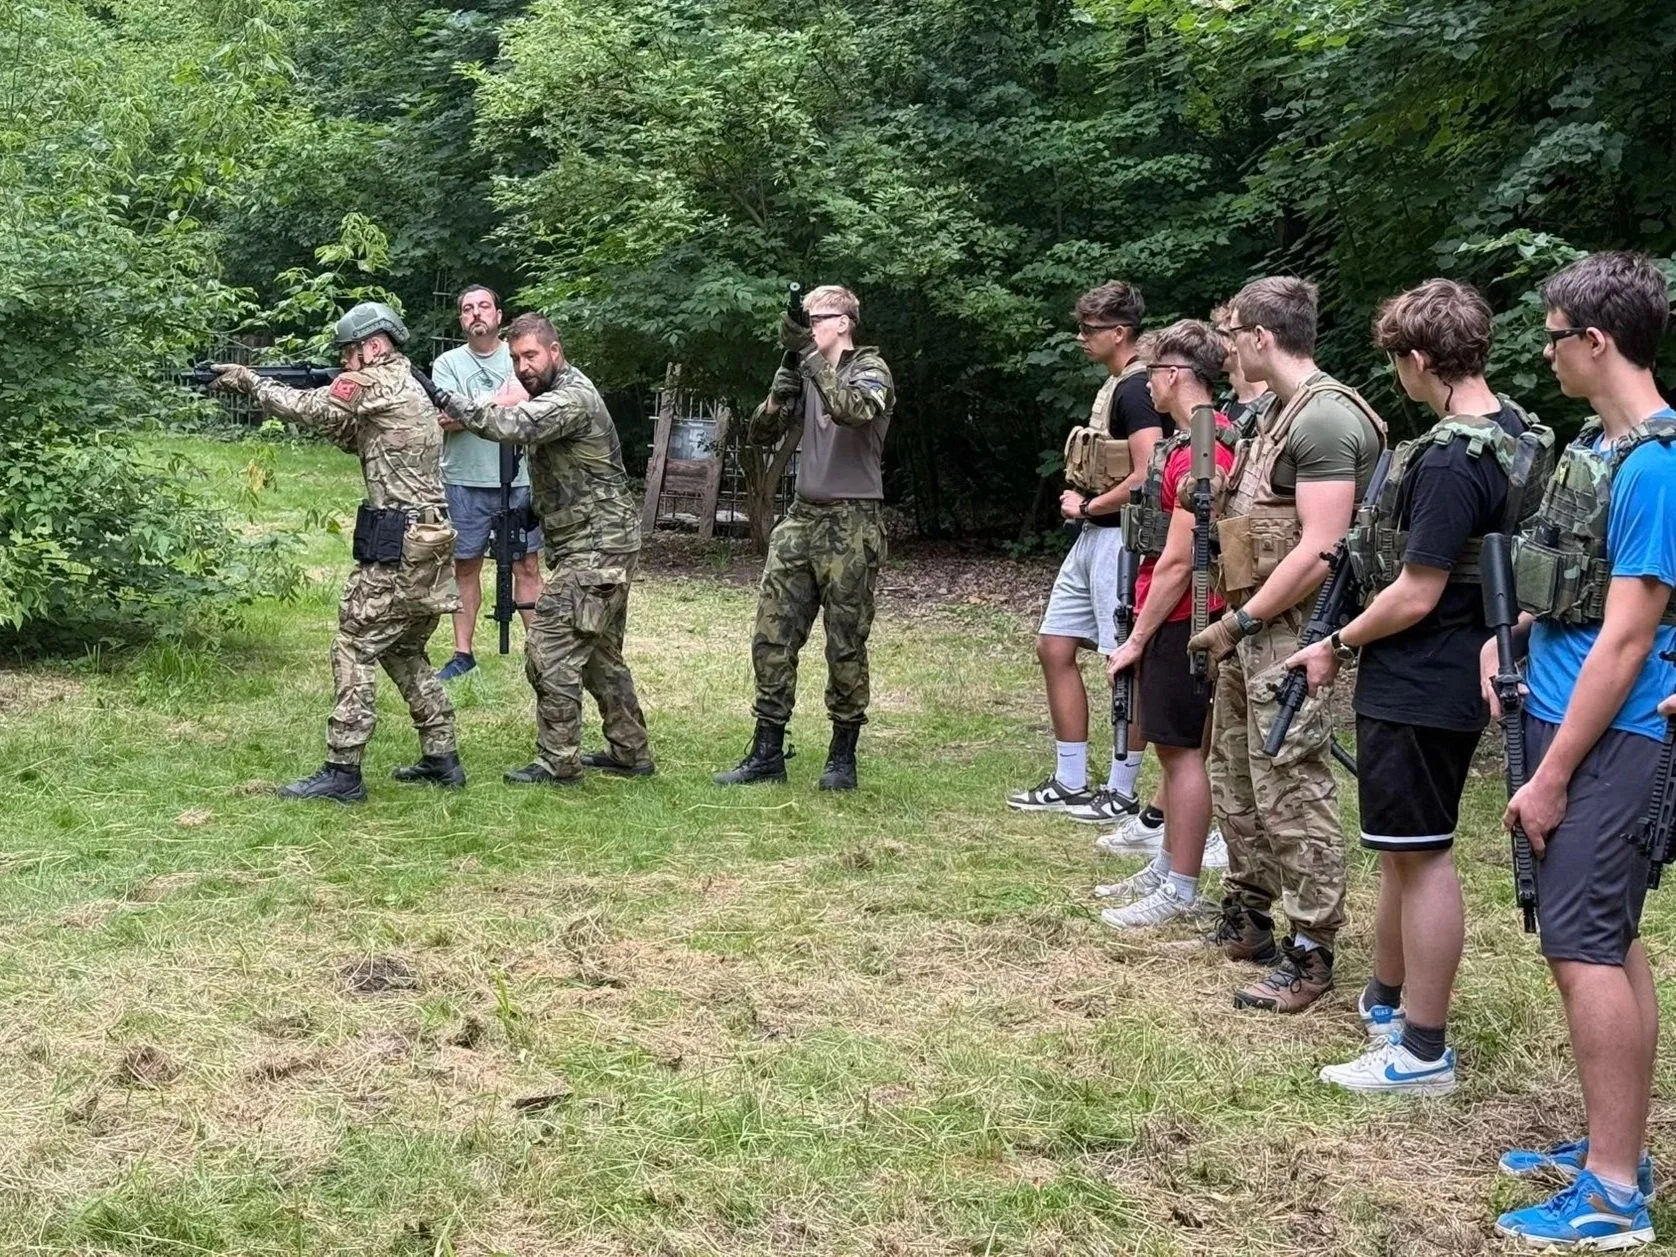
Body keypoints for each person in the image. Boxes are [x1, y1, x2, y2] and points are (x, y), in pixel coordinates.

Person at [1285, 279, 1550, 1093]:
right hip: (1464, 663)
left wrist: (1333, 640)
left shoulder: (1449, 456)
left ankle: (1423, 1048)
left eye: (1398, 360)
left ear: (1421, 359)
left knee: (1424, 854)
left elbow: (1414, 590)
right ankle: (1388, 1001)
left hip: (1424, 670)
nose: (1397, 375)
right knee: (1402, 849)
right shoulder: (1522, 434)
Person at [1485, 252, 1674, 1249]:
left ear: (1593, 342)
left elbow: (1630, 634)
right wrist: (1508, 636)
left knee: (1580, 945)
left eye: (1553, 335)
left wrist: (1552, 776)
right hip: (1568, 720)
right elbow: (1582, 600)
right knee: (1609, 935)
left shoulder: (1653, 464)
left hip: (1615, 738)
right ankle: (1617, 1147)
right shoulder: (1597, 449)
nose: (1545, 352)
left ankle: (1609, 1196)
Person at [1190, 276, 1385, 1013]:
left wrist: (1241, 622)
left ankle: (1311, 950)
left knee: (1291, 784)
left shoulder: (1326, 420)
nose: (1229, 345)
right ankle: (1249, 918)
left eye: (1236, 332)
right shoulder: (1273, 411)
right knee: (1237, 775)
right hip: (1250, 622)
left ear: (1262, 338)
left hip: (1289, 631)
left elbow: (1320, 549)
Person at [211, 302, 462, 802]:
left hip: (399, 543)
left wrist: (251, 382)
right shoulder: (407, 384)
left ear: (373, 344)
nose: (347, 361)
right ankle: (442, 755)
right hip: (429, 541)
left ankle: (342, 771)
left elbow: (313, 408)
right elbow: (358, 437)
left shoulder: (375, 381)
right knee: (404, 649)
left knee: (353, 644)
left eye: (350, 351)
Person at [423, 313, 653, 784]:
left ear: (555, 351)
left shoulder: (571, 397)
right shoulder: (554, 391)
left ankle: (558, 760)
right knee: (600, 656)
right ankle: (630, 751)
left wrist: (445, 396)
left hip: (597, 547)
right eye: (516, 359)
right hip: (596, 541)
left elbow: (510, 423)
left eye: (531, 355)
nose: (523, 366)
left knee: (549, 648)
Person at [712, 284, 896, 792]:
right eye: (806, 318)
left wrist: (809, 358)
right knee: (772, 634)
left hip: (852, 520)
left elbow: (851, 410)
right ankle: (767, 748)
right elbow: (760, 435)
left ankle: (843, 754)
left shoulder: (870, 370)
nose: (809, 325)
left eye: (818, 317)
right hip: (802, 516)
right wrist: (780, 389)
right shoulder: (808, 371)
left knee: (845, 641)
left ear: (845, 322)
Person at [1006, 281, 1171, 820]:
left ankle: (1121, 790)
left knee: (1122, 660)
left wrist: (1089, 505)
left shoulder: (1135, 389)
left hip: (1120, 539)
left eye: (1089, 329)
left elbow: (1149, 473)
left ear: (1119, 332)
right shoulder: (1118, 385)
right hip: (1093, 538)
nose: (1080, 337)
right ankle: (1070, 779)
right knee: (1055, 646)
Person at [1096, 320, 1236, 926]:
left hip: (1187, 617)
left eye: (1151, 372)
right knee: (1172, 750)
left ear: (1174, 375)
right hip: (1178, 613)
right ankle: (1167, 866)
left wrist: (1136, 638)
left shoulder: (1207, 447)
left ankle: (1181, 887)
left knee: (1182, 755)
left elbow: (1181, 560)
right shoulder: (1195, 440)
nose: (1145, 384)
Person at [430, 285, 544, 679]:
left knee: (526, 564)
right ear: (461, 319)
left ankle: (539, 652)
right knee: (465, 565)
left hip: (519, 480)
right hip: (463, 478)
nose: (476, 313)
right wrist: (503, 403)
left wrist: (474, 411)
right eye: (467, 309)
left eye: (483, 307)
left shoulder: (519, 356)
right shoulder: (446, 364)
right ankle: (463, 655)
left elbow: (533, 405)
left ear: (498, 315)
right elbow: (445, 417)